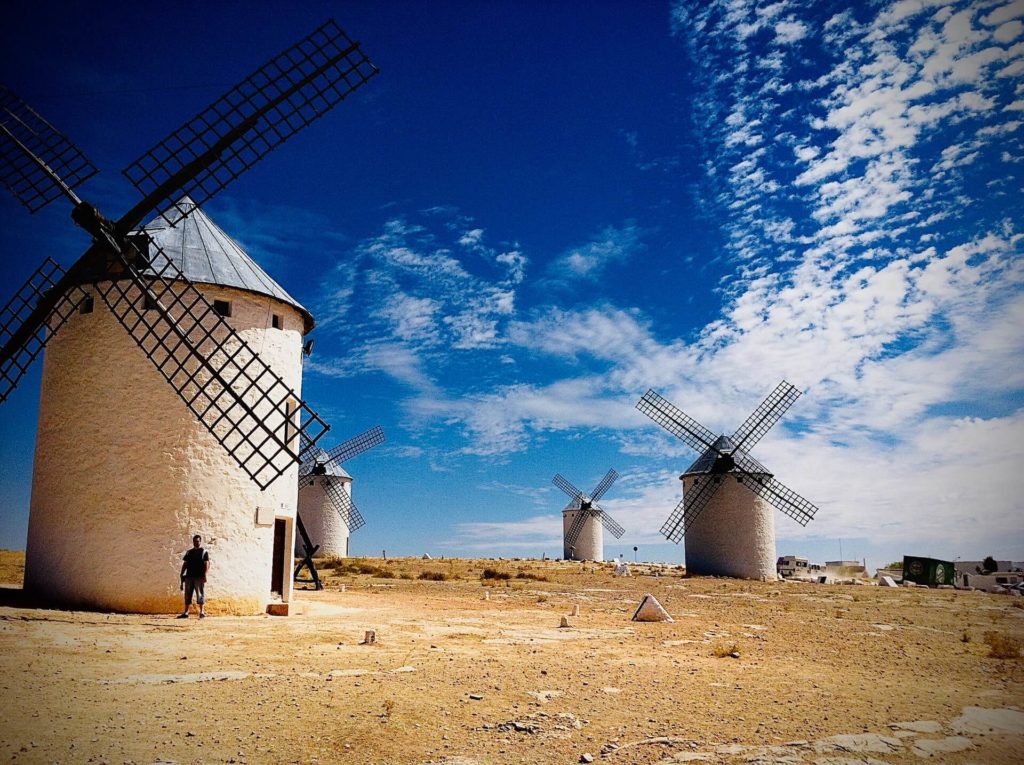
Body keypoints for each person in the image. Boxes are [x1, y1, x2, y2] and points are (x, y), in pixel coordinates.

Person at [178, 534, 210, 618]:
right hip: (189, 577)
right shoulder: (189, 552)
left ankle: (202, 612)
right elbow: (185, 563)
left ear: (200, 541)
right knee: (187, 594)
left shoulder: (204, 552)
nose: (196, 542)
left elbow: (206, 563)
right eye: (195, 541)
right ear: (193, 542)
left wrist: (205, 575)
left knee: (200, 594)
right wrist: (181, 573)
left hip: (199, 577)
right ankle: (186, 612)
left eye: (198, 541)